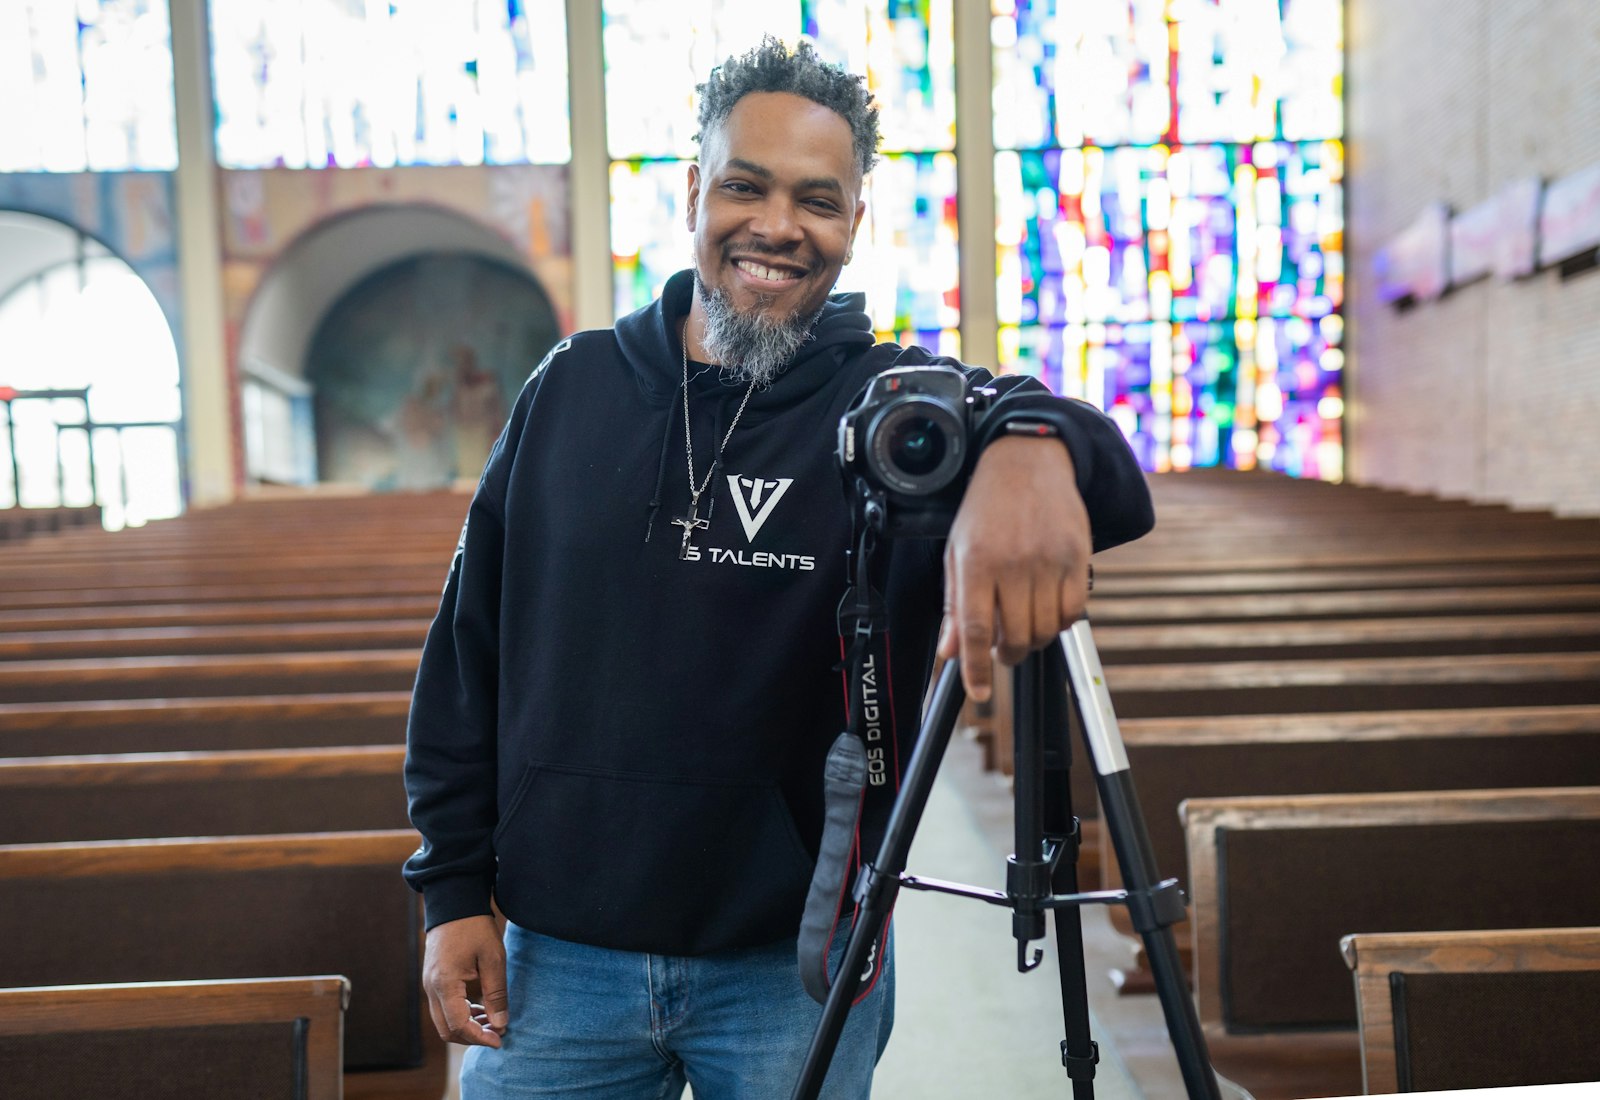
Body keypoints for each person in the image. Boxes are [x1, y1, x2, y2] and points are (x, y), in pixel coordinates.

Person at [402, 36, 1155, 1099]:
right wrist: (449, 889)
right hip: (554, 961)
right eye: (746, 186)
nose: (776, 227)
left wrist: (1033, 449)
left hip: (796, 962)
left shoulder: (897, 418)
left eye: (816, 199)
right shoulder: (568, 391)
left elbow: (1115, 479)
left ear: (854, 222)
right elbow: (465, 659)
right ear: (694, 188)